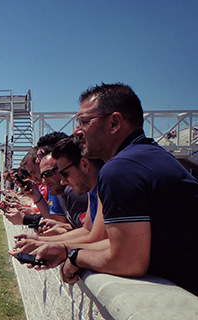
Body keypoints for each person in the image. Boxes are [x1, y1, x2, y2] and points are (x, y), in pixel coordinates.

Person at [31, 83, 198, 296]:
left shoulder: (120, 169)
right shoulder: (148, 156)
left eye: (84, 121)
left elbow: (128, 261)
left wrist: (74, 257)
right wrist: (59, 247)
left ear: (114, 122)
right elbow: (110, 242)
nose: (76, 131)